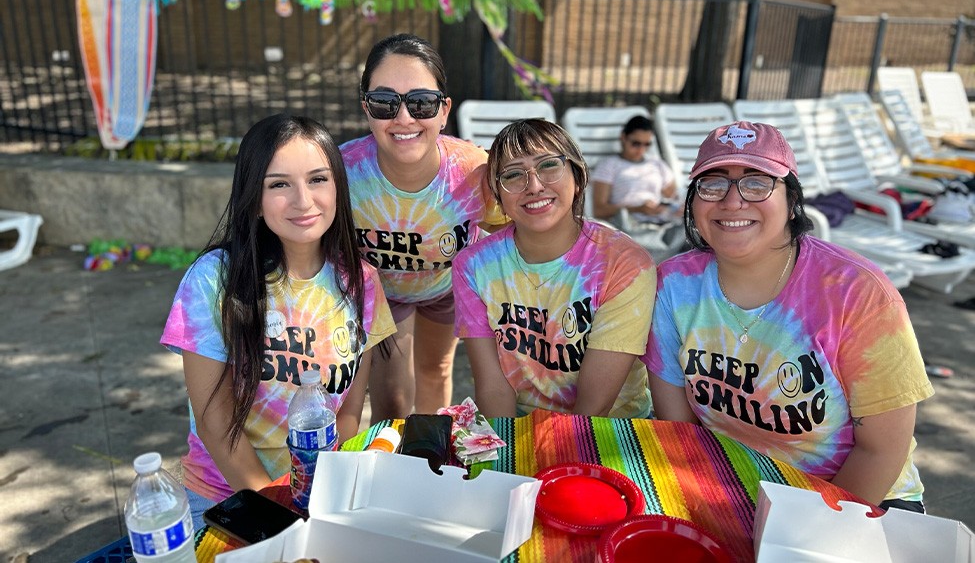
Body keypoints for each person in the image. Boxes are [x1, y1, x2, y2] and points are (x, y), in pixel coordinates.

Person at [643, 120, 934, 511]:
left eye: (757, 182)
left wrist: (802, 529)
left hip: (860, 497)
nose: (732, 202)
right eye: (712, 184)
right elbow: (680, 432)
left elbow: (880, 452)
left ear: (792, 200)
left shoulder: (857, 294)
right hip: (731, 484)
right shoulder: (672, 285)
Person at [160, 113, 396, 530]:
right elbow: (216, 427)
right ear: (253, 198)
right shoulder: (214, 280)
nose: (303, 200)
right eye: (279, 184)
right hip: (225, 501)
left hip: (317, 498)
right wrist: (280, 518)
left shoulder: (361, 281)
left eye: (318, 179)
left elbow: (347, 415)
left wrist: (318, 503)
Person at [340, 33, 507, 422]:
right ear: (366, 107)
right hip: (382, 292)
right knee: (391, 398)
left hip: (444, 290)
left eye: (421, 102)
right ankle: (392, 465)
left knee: (436, 373)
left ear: (444, 110)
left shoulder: (475, 170)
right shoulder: (341, 172)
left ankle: (430, 460)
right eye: (384, 102)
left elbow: (508, 233)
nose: (404, 118)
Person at [453, 118, 657, 418]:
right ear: (497, 195)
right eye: (512, 175)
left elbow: (595, 406)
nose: (534, 186)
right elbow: (493, 388)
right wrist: (508, 456)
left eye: (549, 165)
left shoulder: (625, 264)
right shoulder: (472, 267)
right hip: (522, 428)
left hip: (611, 433)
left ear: (577, 176)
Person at [590, 115, 680, 227]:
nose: (641, 149)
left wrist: (670, 207)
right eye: (636, 143)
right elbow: (599, 210)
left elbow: (674, 197)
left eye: (647, 144)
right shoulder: (609, 165)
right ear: (623, 137)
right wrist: (637, 209)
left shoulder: (656, 164)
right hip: (629, 226)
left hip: (661, 223)